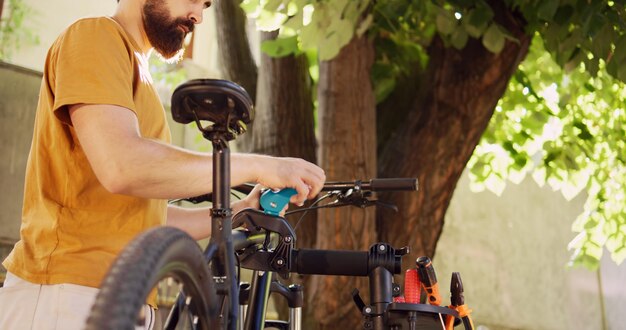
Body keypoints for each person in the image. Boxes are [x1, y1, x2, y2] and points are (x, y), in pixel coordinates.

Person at [0, 0, 326, 329]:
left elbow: (146, 218)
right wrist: (256, 166)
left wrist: (241, 211)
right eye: (193, 0)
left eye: (206, 5)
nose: (199, 15)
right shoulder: (95, 37)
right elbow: (122, 165)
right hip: (66, 293)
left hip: (120, 298)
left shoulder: (141, 81)